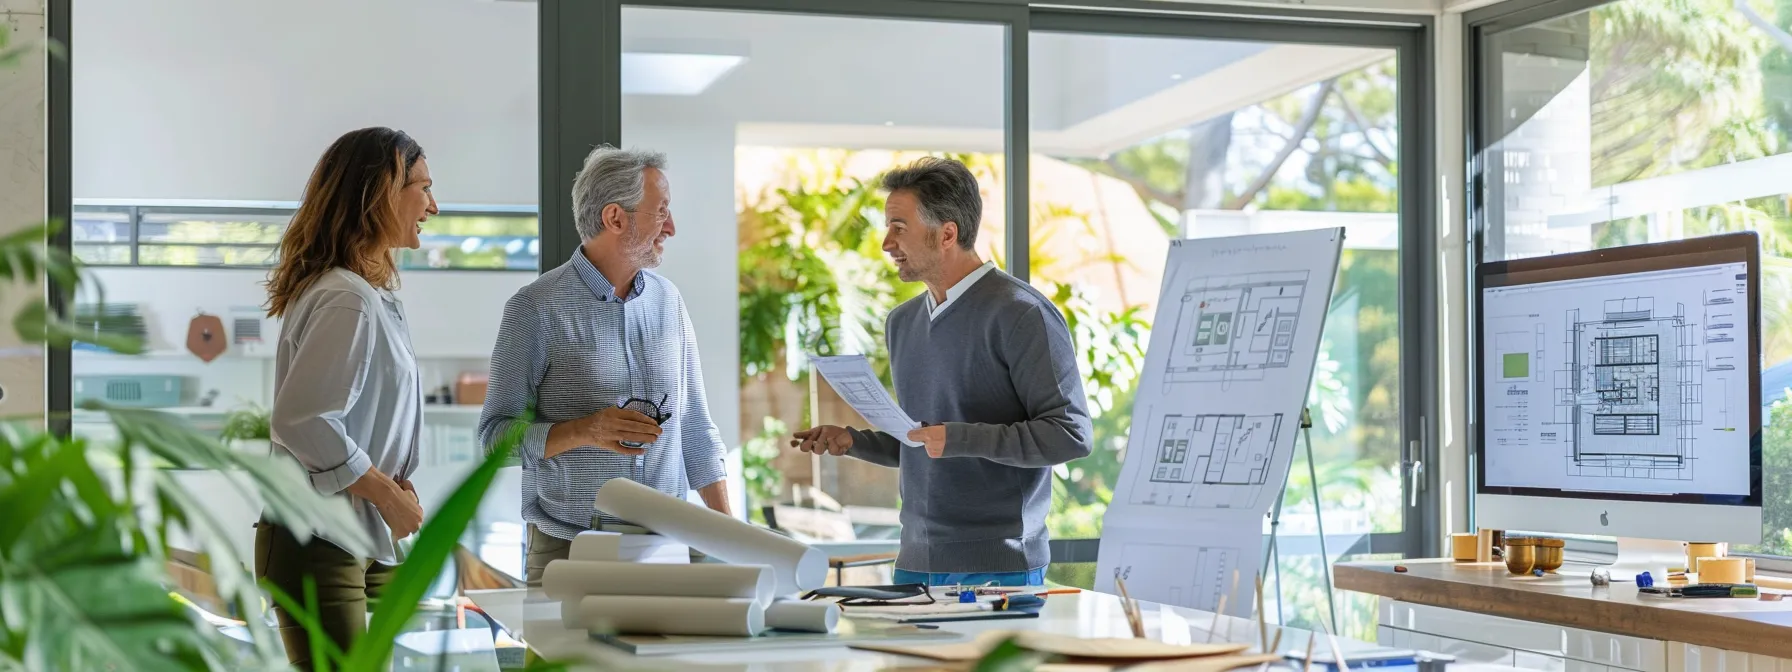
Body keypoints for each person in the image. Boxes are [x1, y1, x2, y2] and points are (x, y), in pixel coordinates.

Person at [792, 157, 1093, 587]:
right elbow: (923, 441)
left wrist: (957, 436)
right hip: (913, 560)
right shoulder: (902, 322)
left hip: (1000, 567)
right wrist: (853, 441)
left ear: (947, 233)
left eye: (899, 227)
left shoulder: (1022, 314)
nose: (885, 243)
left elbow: (1071, 434)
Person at [479, 146, 731, 585]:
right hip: (570, 553)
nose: (671, 227)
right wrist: (585, 430)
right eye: (661, 212)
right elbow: (493, 438)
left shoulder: (669, 302)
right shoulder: (534, 309)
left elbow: (694, 429)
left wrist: (731, 536)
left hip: (665, 549)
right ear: (615, 218)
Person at [260, 127, 436, 666]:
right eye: (422, 188)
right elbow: (302, 421)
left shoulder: (369, 294)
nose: (433, 204)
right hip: (319, 539)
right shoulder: (346, 298)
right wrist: (386, 492)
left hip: (358, 534)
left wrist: (391, 495)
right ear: (379, 193)